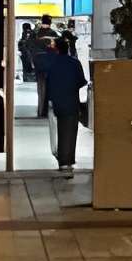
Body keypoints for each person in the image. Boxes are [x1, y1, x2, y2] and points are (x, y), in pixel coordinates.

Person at [34, 30, 88, 171]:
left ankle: (61, 157)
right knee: (70, 130)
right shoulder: (74, 63)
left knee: (57, 130)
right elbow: (81, 81)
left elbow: (39, 63)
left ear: (56, 49)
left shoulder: (51, 62)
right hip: (71, 100)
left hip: (54, 101)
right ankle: (68, 159)